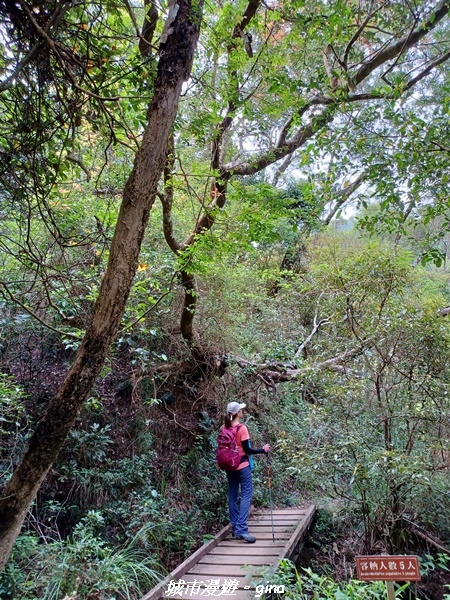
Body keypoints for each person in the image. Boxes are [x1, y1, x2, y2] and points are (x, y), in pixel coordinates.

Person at [223, 401, 270, 543]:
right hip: (242, 466)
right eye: (240, 410)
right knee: (246, 495)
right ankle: (242, 529)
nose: (242, 411)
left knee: (232, 496)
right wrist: (263, 450)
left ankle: (235, 528)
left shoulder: (223, 428)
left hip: (229, 467)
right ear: (237, 413)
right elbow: (248, 450)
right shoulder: (242, 428)